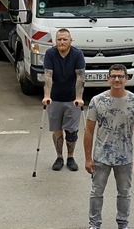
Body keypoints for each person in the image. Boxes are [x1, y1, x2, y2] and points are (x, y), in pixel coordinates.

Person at [84, 64, 134, 229]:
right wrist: (88, 158)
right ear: (108, 78)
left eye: (120, 76)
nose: (117, 79)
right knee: (96, 192)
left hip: (125, 157)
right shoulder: (97, 101)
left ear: (127, 78)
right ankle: (94, 224)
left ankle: (123, 224)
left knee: (124, 193)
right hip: (101, 156)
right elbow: (89, 131)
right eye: (113, 76)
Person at [42, 28, 85, 171]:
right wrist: (47, 95)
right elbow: (48, 75)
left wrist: (79, 97)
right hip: (55, 99)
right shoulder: (50, 53)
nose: (62, 42)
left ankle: (70, 157)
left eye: (65, 39)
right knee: (57, 130)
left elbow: (80, 77)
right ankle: (59, 157)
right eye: (59, 39)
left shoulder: (77, 54)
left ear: (70, 41)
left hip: (72, 99)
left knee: (71, 132)